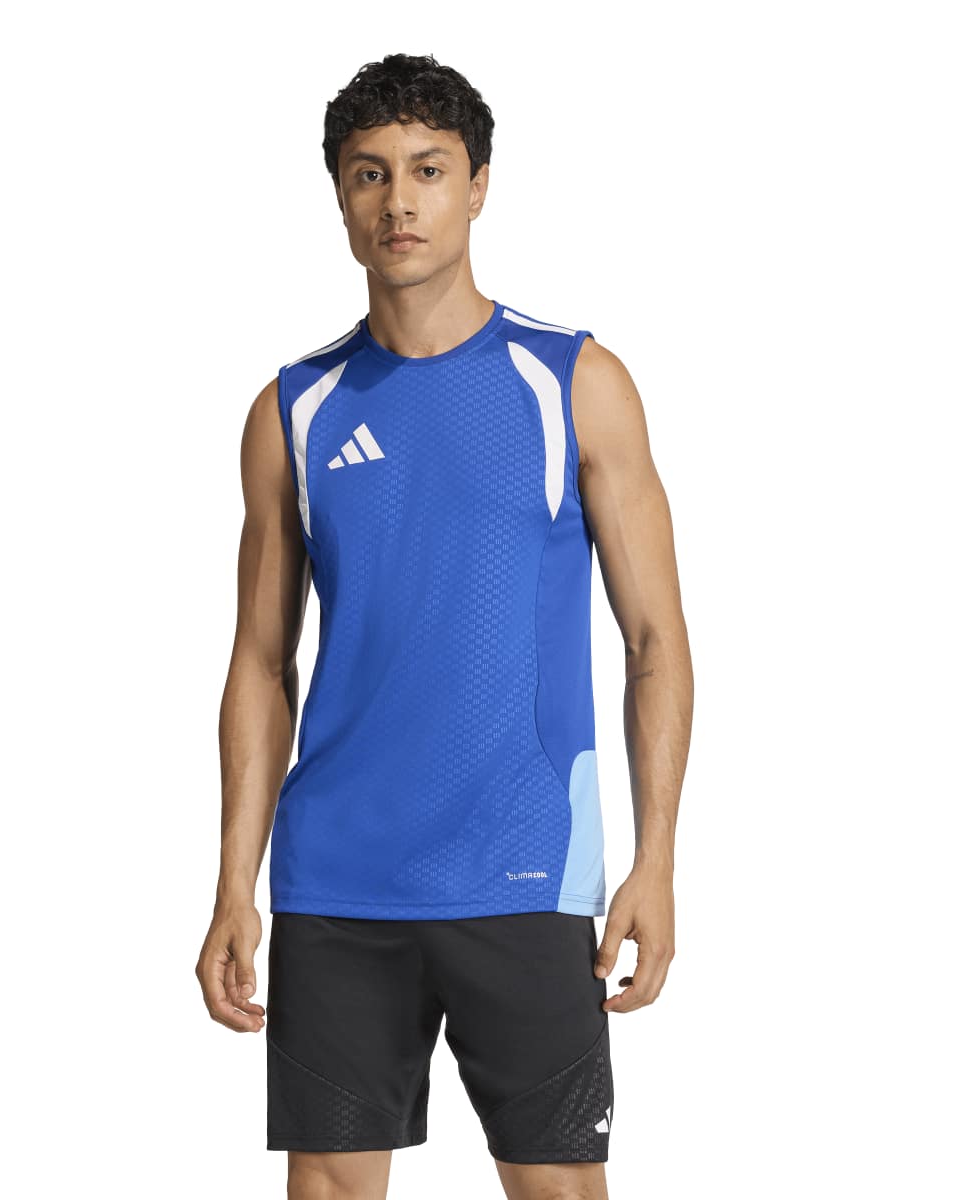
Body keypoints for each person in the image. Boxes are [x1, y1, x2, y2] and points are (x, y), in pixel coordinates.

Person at [196, 52, 693, 1200]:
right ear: (339, 195)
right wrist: (233, 884)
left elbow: (656, 642)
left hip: (523, 864)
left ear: (478, 187)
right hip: (336, 877)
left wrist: (657, 861)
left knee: (559, 1187)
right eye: (370, 173)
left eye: (428, 169)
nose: (399, 200)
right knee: (328, 1185)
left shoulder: (574, 383)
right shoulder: (293, 411)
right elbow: (260, 665)